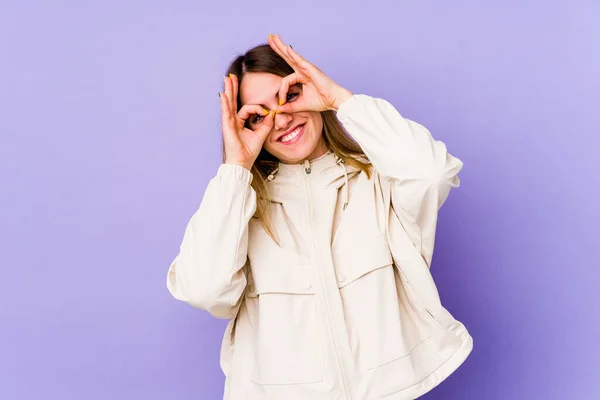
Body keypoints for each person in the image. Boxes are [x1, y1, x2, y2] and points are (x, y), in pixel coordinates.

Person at [166, 34, 473, 400]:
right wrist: (236, 168)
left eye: (289, 97)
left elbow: (431, 174)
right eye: (260, 115)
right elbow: (204, 290)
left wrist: (339, 100)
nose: (280, 121)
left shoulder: (377, 181)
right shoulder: (240, 209)